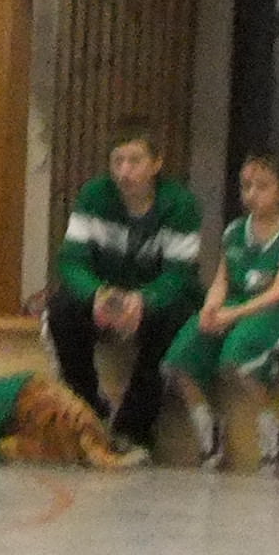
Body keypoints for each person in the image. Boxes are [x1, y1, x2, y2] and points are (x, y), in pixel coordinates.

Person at [43, 122, 203, 451]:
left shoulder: (180, 205)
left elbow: (179, 275)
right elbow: (71, 260)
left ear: (156, 164)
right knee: (62, 308)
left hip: (154, 301)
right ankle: (87, 407)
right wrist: (97, 294)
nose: (124, 172)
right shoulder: (93, 196)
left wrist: (143, 300)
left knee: (178, 317)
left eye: (134, 161)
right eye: (117, 161)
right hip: (106, 294)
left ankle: (134, 429)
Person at [162, 152, 279, 473]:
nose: (251, 194)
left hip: (275, 310)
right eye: (246, 186)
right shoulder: (235, 231)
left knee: (237, 355)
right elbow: (221, 281)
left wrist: (231, 316)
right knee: (180, 357)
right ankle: (210, 433)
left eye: (262, 186)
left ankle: (275, 436)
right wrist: (212, 307)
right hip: (236, 306)